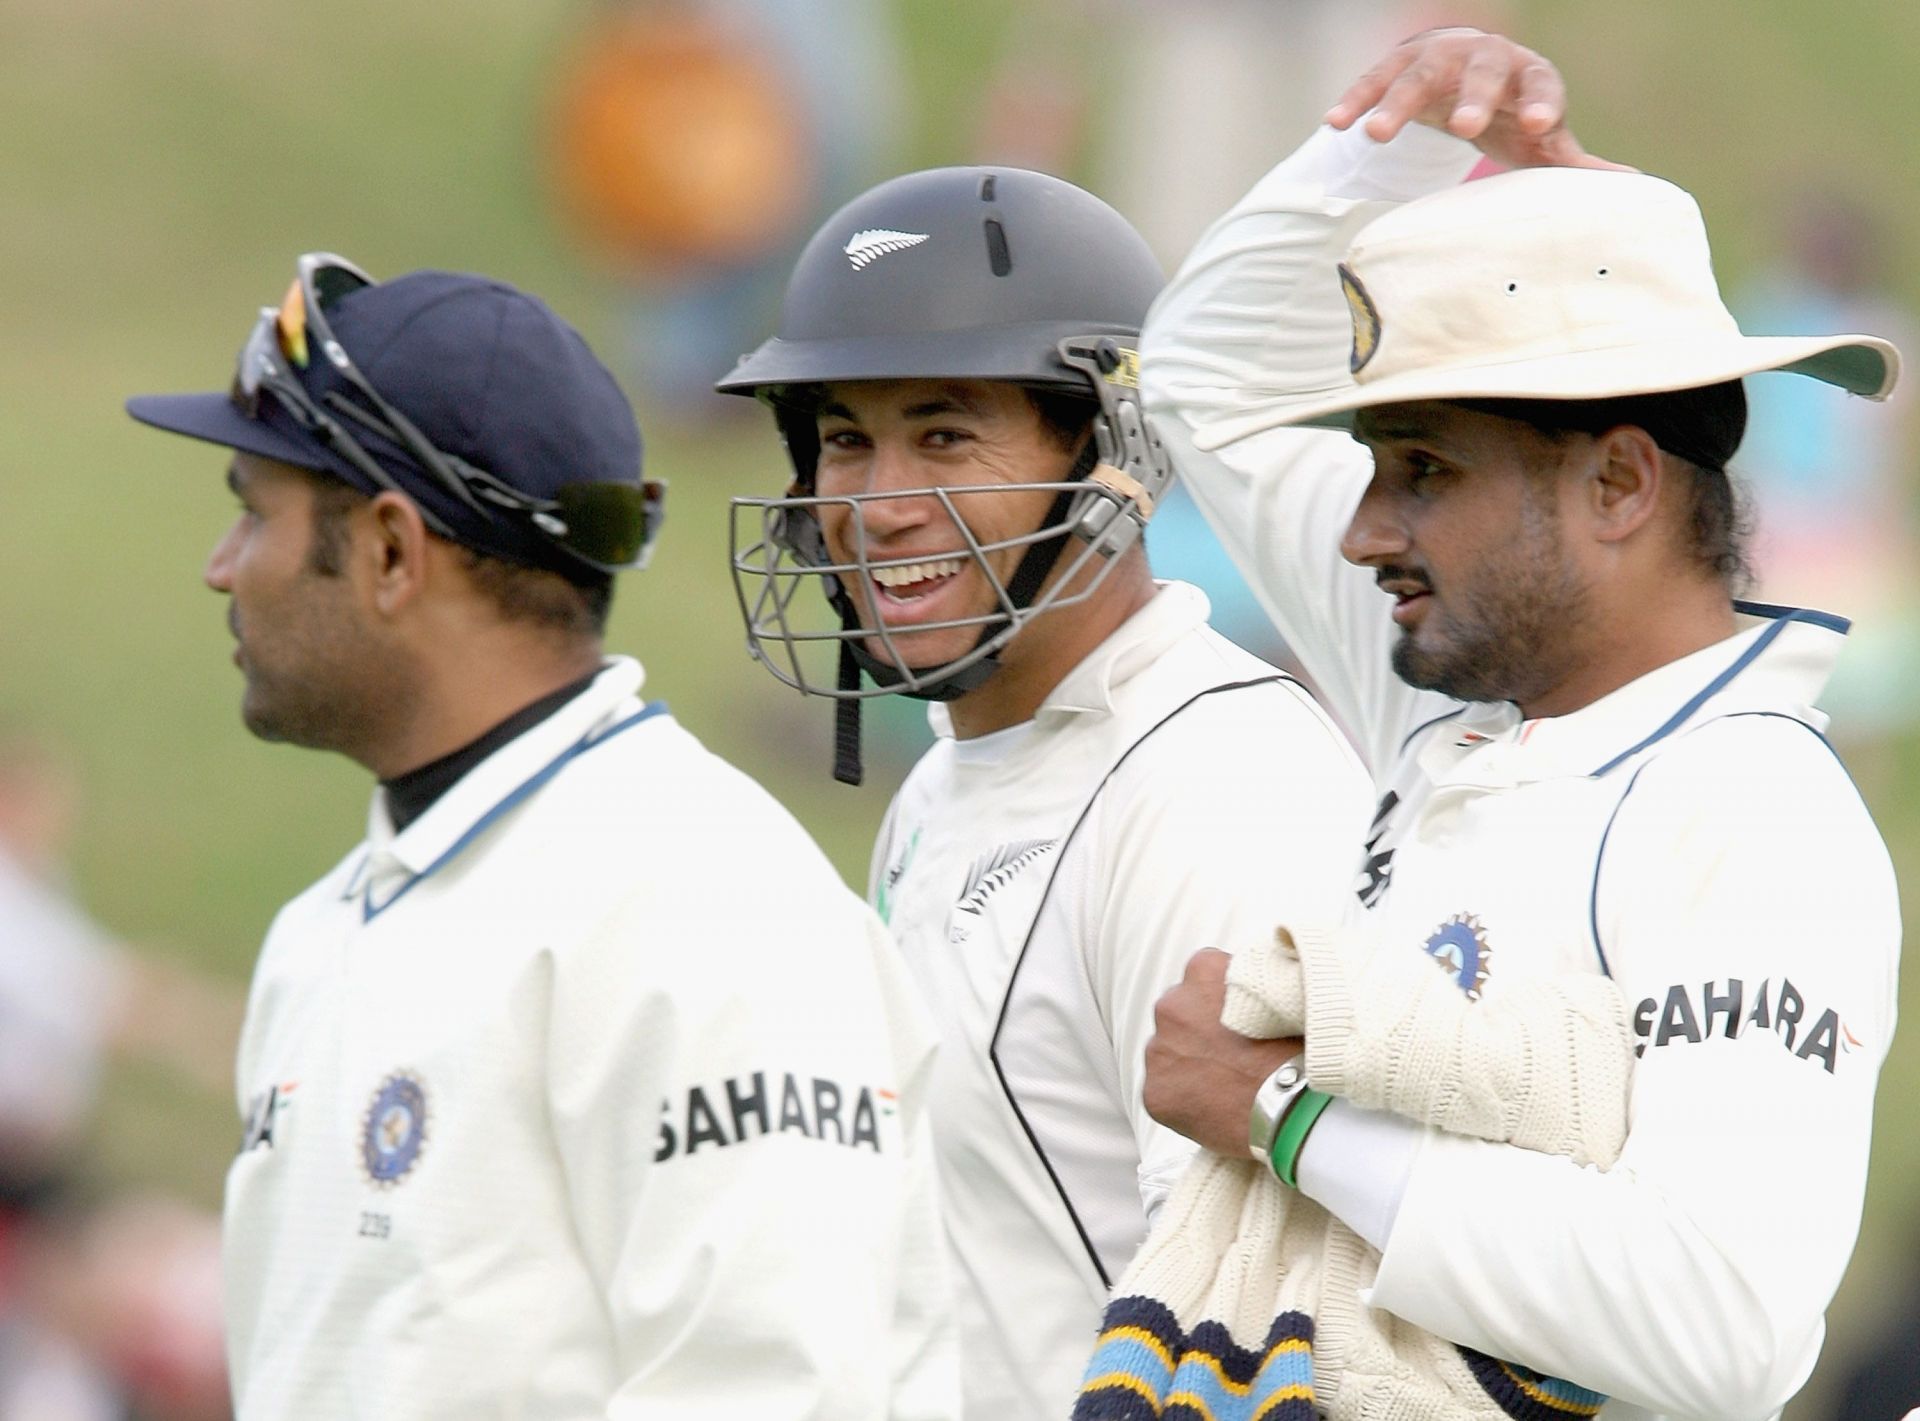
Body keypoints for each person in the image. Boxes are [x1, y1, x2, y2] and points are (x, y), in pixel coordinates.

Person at [1136, 27, 1902, 1419]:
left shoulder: (1758, 819)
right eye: (1372, 464)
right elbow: (1206, 379)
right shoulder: (1454, 679)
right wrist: (1417, 135)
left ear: (1618, 484)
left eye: (1419, 467)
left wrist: (1284, 1117)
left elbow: (1720, 1328)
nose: (1365, 528)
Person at [124, 254, 956, 1420]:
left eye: (253, 510)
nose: (222, 568)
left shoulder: (704, 904)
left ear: (391, 552)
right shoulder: (321, 931)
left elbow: (779, 1394)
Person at [716, 168, 1373, 1420]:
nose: (880, 505)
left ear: (1114, 453)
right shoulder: (944, 787)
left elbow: (1258, 1321)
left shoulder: (1214, 783)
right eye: (847, 437)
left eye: (946, 432)